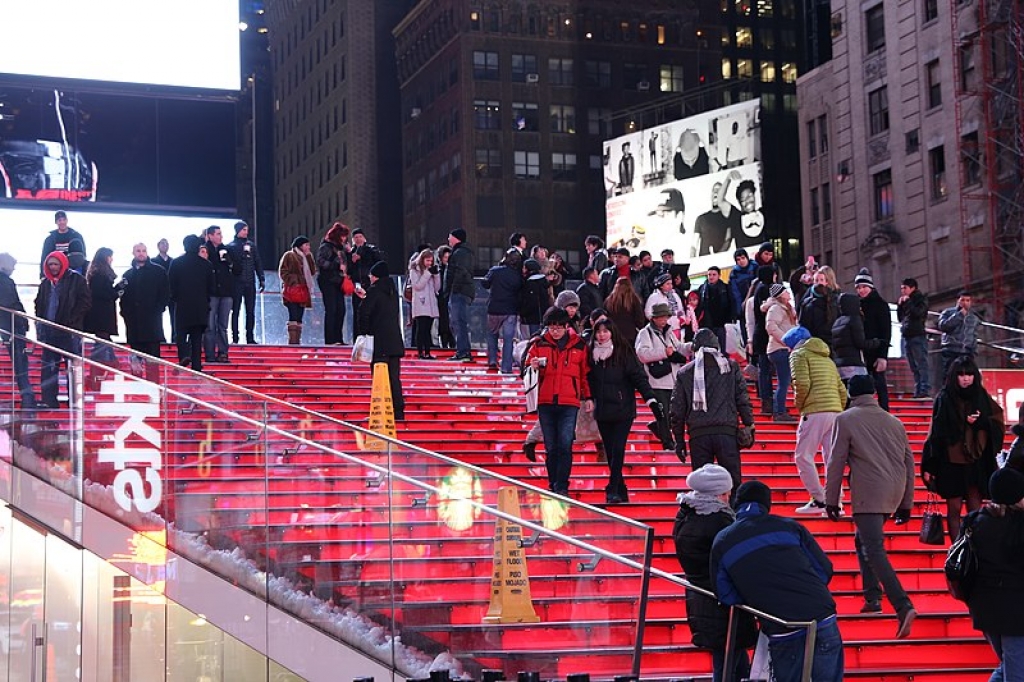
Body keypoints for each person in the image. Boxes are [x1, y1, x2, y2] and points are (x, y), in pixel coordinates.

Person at [711, 480, 844, 682]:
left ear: (736, 504)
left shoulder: (722, 540)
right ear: (767, 504)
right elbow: (824, 570)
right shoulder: (790, 527)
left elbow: (726, 594)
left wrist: (759, 599)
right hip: (822, 618)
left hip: (781, 626)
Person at [825, 374, 917, 638]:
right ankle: (872, 596)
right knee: (862, 540)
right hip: (894, 491)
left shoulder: (846, 419)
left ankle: (902, 605)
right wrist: (906, 502)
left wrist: (831, 500)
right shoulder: (894, 421)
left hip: (868, 494)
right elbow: (909, 462)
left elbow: (836, 462)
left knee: (874, 548)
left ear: (851, 394)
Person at [673, 464, 758, 682]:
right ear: (718, 493)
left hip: (702, 597)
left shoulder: (687, 514)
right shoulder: (719, 519)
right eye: (726, 493)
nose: (729, 497)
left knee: (733, 658)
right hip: (722, 601)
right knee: (727, 660)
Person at [922, 357, 1005, 542]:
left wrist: (980, 422)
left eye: (969, 374)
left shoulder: (981, 397)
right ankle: (956, 551)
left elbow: (997, 423)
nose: (966, 378)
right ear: (954, 377)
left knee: (975, 509)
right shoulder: (944, 398)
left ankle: (975, 551)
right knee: (954, 509)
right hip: (951, 462)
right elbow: (936, 433)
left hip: (976, 462)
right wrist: (930, 465)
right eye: (961, 374)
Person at [669, 328, 754, 492]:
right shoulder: (730, 367)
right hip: (726, 432)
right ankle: (733, 515)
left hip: (698, 435)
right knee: (733, 484)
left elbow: (677, 410)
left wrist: (678, 440)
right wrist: (749, 424)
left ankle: (706, 516)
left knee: (702, 488)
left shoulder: (685, 373)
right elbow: (742, 399)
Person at [587, 318, 661, 504]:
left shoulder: (623, 352)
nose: (602, 335)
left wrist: (650, 398)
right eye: (599, 331)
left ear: (612, 332)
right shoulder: (590, 354)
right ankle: (621, 487)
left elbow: (638, 377)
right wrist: (587, 398)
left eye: (605, 331)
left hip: (623, 408)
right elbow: (587, 380)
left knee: (618, 449)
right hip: (602, 409)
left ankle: (612, 488)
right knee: (610, 451)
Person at [963, 467, 1024, 682]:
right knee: (1016, 672)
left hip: (983, 607)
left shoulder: (973, 521)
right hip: (1015, 610)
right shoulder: (1018, 525)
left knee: (1009, 665)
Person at [524, 306, 592, 496]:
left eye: (559, 327)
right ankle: (553, 482)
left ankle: (562, 484)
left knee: (565, 444)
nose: (555, 331)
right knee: (551, 446)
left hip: (569, 402)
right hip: (545, 402)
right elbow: (526, 367)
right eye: (551, 327)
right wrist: (533, 365)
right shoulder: (539, 344)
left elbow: (584, 374)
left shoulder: (579, 345)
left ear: (566, 326)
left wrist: (587, 397)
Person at [785, 326, 847, 515]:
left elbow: (801, 383)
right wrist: (839, 407)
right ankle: (835, 502)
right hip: (835, 410)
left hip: (814, 409)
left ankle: (819, 500)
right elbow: (841, 389)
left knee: (803, 456)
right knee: (831, 458)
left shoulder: (798, 355)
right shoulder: (827, 358)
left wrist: (801, 405)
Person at [34, 251, 92, 408]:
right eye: (50, 264)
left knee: (72, 367)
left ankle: (75, 401)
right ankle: (49, 402)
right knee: (49, 368)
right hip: (49, 331)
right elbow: (39, 304)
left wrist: (71, 321)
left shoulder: (76, 280)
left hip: (69, 332)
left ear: (62, 264)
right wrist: (40, 326)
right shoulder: (45, 283)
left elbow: (85, 302)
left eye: (56, 264)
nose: (53, 267)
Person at [357, 261, 406, 420]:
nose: (370, 277)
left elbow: (364, 313)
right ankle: (398, 412)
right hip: (394, 342)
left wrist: (365, 333)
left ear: (376, 276)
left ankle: (381, 413)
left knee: (379, 379)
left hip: (379, 342)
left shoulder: (374, 291)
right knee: (394, 379)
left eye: (371, 275)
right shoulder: (392, 291)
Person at [168, 235, 212, 371]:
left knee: (180, 334)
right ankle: (197, 366)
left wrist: (175, 298)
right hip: (200, 307)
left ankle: (183, 356)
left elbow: (171, 284)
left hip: (182, 305)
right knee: (197, 338)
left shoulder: (176, 263)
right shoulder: (206, 265)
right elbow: (211, 286)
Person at [120, 243, 170, 361]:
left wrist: (159, 309)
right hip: (134, 325)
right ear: (133, 253)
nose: (141, 253)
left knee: (153, 362)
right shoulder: (128, 275)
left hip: (152, 323)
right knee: (136, 363)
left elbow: (165, 293)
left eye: (143, 251)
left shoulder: (158, 271)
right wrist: (126, 313)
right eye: (138, 251)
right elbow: (124, 297)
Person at [0, 253, 37, 408]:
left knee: (20, 362)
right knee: (21, 363)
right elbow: (11, 303)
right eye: (13, 266)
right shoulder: (5, 281)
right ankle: (27, 398)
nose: (14, 269)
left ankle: (28, 398)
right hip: (12, 326)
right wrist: (22, 319)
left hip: (8, 326)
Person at [855, 268, 892, 411]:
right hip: (861, 351)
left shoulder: (880, 305)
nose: (861, 290)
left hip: (876, 351)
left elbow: (886, 332)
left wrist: (883, 356)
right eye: (858, 287)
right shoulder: (856, 305)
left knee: (879, 384)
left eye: (864, 287)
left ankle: (884, 412)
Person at [762, 283, 798, 422]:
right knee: (783, 382)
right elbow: (770, 327)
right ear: (780, 294)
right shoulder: (776, 308)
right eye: (786, 291)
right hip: (779, 349)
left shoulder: (786, 308)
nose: (788, 293)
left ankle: (780, 409)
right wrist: (786, 339)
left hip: (783, 348)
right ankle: (779, 412)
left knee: (784, 381)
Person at [228, 221, 265, 345]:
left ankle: (250, 336)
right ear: (238, 230)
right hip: (236, 282)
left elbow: (258, 262)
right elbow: (231, 265)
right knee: (236, 310)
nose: (246, 232)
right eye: (243, 230)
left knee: (250, 311)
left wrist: (261, 278)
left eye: (247, 229)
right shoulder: (231, 246)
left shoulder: (252, 246)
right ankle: (235, 337)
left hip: (250, 282)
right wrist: (242, 254)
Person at [82, 248, 120, 365]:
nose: (111, 259)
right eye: (110, 256)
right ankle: (110, 361)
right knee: (103, 337)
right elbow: (103, 293)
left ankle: (108, 361)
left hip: (99, 312)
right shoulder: (100, 274)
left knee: (102, 338)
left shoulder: (95, 272)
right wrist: (117, 291)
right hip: (101, 313)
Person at [316, 222, 351, 346]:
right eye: (343, 236)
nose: (345, 238)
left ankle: (338, 338)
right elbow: (320, 262)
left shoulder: (341, 249)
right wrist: (336, 265)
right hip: (328, 281)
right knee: (331, 310)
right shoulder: (326, 247)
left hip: (339, 281)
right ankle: (330, 339)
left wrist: (349, 253)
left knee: (341, 310)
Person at [203, 226, 234, 364]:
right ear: (209, 236)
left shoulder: (227, 250)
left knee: (223, 325)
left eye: (221, 234)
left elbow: (237, 268)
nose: (221, 236)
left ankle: (223, 353)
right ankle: (209, 354)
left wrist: (229, 261)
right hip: (211, 293)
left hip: (226, 292)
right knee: (209, 325)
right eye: (218, 234)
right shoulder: (204, 250)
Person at [278, 237, 317, 345]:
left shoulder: (307, 256)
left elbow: (312, 271)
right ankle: (292, 341)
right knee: (293, 315)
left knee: (299, 316)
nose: (308, 247)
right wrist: (294, 280)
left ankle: (297, 341)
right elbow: (283, 271)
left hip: (303, 290)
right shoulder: (289, 255)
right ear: (300, 245)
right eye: (306, 245)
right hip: (292, 290)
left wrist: (309, 257)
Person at [444, 228, 476, 362]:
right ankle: (462, 350)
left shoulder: (460, 253)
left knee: (459, 322)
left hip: (460, 292)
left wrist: (453, 289)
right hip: (461, 291)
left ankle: (463, 352)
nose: (448, 240)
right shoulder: (461, 252)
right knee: (458, 322)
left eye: (450, 237)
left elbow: (460, 272)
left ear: (456, 238)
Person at [897, 278, 931, 398]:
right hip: (907, 335)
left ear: (912, 288)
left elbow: (919, 313)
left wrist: (909, 302)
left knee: (921, 363)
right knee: (913, 365)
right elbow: (900, 318)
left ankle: (924, 388)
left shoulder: (920, 299)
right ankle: (918, 389)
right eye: (901, 288)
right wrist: (900, 306)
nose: (903, 291)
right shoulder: (905, 301)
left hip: (917, 335)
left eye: (905, 288)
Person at [938, 290, 980, 381]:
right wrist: (959, 315)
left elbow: (974, 335)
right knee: (950, 376)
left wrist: (974, 351)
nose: (965, 303)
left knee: (967, 377)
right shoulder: (948, 312)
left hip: (967, 352)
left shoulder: (974, 317)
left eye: (968, 300)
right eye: (963, 300)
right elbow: (943, 326)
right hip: (951, 350)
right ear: (958, 301)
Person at [832, 292, 874, 382]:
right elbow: (860, 343)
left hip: (839, 365)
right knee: (859, 392)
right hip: (854, 364)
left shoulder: (837, 322)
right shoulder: (854, 319)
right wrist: (875, 342)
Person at [409, 248, 442, 361]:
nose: (429, 263)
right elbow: (417, 286)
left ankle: (427, 352)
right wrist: (427, 274)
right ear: (422, 260)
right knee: (421, 328)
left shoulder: (431, 271)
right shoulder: (414, 270)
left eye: (431, 261)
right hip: (420, 303)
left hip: (431, 303)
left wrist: (436, 275)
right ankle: (420, 352)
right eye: (427, 260)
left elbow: (437, 288)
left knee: (428, 329)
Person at [348, 228, 383, 333]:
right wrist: (351, 261)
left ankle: (371, 335)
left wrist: (362, 256)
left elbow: (378, 262)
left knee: (371, 310)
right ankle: (358, 336)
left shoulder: (371, 249)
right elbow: (348, 270)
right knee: (357, 311)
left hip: (370, 285)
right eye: (355, 237)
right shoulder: (351, 252)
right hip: (356, 285)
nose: (358, 239)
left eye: (360, 237)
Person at [797, 265, 839, 347]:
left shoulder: (835, 299)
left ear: (827, 281)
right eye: (816, 280)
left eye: (821, 280)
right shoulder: (808, 302)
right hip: (820, 342)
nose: (819, 283)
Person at [696, 266, 734, 352]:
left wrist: (731, 317)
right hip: (707, 321)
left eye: (714, 274)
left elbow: (731, 302)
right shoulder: (702, 288)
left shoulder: (725, 287)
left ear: (719, 276)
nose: (711, 277)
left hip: (721, 320)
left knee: (722, 345)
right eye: (709, 275)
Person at [40, 210, 87, 278]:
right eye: (59, 220)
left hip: (74, 270)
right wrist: (42, 275)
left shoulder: (77, 236)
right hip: (56, 271)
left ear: (67, 220)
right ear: (56, 222)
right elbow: (44, 257)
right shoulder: (50, 239)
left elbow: (83, 255)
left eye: (64, 220)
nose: (62, 222)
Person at [692, 182, 734, 257]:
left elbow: (728, 240)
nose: (716, 192)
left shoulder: (728, 217)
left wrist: (717, 257)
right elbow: (694, 245)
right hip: (703, 262)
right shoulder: (701, 218)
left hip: (720, 261)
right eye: (714, 190)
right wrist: (692, 259)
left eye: (719, 190)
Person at [605, 277, 647, 346]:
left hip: (613, 335)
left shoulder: (609, 300)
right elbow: (639, 319)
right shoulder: (634, 299)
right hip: (629, 335)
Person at [150, 238, 176, 342]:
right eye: (162, 244)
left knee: (174, 316)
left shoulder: (173, 261)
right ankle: (160, 337)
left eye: (166, 244)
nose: (165, 246)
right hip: (158, 293)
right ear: (158, 246)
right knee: (157, 316)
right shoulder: (153, 262)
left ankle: (175, 337)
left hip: (172, 292)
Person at [729, 249, 757, 346]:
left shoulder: (755, 268)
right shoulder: (734, 274)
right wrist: (739, 310)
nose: (741, 261)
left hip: (756, 305)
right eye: (738, 259)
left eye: (743, 258)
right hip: (743, 309)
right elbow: (735, 293)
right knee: (747, 336)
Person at [519, 258, 553, 338]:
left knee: (533, 339)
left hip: (532, 318)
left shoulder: (531, 283)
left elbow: (531, 302)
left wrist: (522, 312)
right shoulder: (543, 281)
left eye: (524, 267)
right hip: (543, 316)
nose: (523, 269)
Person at [645, 273, 687, 337]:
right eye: (668, 284)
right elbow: (648, 312)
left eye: (671, 283)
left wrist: (681, 320)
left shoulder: (675, 295)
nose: (670, 286)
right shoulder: (654, 297)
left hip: (676, 328)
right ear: (661, 285)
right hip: (661, 330)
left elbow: (681, 310)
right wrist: (657, 323)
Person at [435, 245, 455, 350]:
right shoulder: (439, 270)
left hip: (451, 298)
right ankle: (445, 341)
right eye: (445, 257)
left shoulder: (453, 270)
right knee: (444, 321)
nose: (447, 260)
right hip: (442, 299)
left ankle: (451, 341)